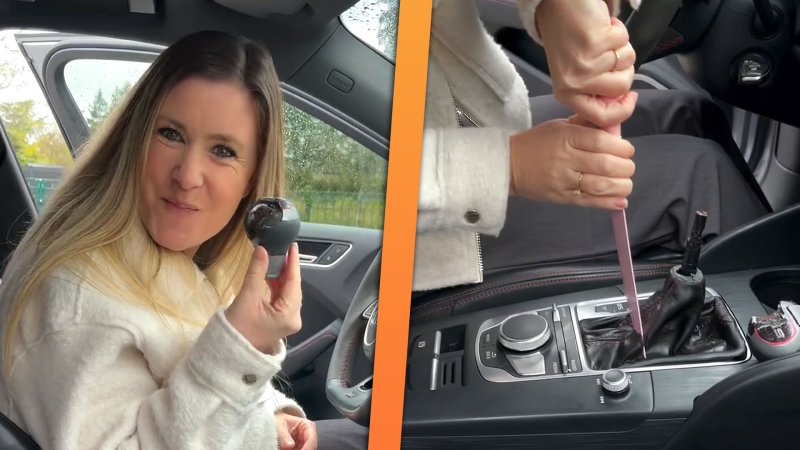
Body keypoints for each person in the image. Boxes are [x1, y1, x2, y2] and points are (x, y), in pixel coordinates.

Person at [0, 31, 363, 450]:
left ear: (252, 179)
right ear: (133, 140)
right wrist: (244, 342)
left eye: (223, 151)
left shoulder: (162, 261)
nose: (188, 176)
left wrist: (271, 416)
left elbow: (180, 380)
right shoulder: (78, 297)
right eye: (171, 134)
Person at [412, 0, 769, 291]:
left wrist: (556, 7)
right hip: (425, 219)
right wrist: (510, 167)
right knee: (704, 175)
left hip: (452, 117)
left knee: (690, 112)